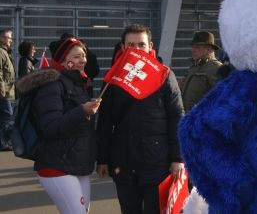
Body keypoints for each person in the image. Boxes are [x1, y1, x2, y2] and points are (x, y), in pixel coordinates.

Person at [96, 24, 184, 214]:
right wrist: (102, 159)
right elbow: (104, 121)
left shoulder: (164, 75)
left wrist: (178, 157)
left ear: (150, 46)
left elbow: (177, 116)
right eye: (131, 45)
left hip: (157, 161)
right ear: (123, 47)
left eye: (141, 45)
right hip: (123, 159)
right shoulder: (113, 78)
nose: (136, 50)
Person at [16, 37, 101, 214]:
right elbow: (51, 127)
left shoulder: (81, 84)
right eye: (77, 56)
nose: (83, 60)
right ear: (63, 59)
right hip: (56, 164)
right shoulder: (51, 85)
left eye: (83, 55)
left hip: (79, 164)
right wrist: (82, 111)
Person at [181, 31, 222, 112]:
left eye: (197, 47)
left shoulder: (216, 68)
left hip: (204, 120)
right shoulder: (194, 67)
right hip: (189, 118)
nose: (193, 50)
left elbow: (222, 99)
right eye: (193, 47)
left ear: (209, 49)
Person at [0, 28, 15, 151]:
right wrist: (2, 90)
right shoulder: (1, 52)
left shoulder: (5, 52)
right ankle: (4, 143)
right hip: (4, 92)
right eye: (9, 37)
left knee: (5, 117)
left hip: (7, 90)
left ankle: (3, 142)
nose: (11, 40)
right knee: (7, 117)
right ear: (2, 38)